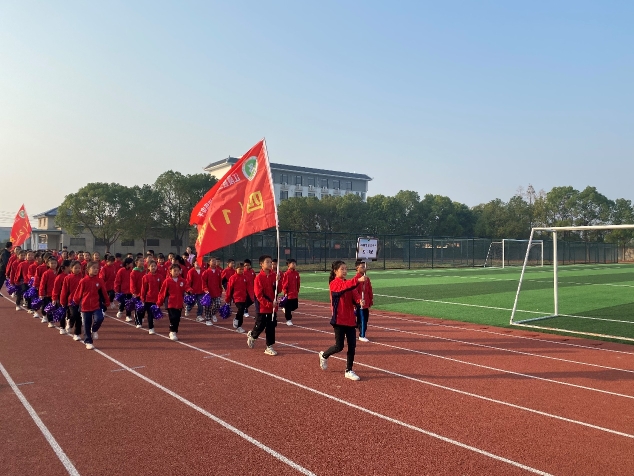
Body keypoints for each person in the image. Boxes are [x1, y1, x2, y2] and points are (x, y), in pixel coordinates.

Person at [318, 260, 366, 381]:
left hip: (350, 319)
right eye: (342, 269)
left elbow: (354, 294)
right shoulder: (334, 284)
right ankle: (324, 355)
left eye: (346, 269)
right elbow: (344, 288)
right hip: (339, 319)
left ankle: (349, 370)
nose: (345, 271)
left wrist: (359, 300)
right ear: (335, 271)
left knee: (352, 346)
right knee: (339, 346)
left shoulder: (348, 283)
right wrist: (357, 280)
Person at [73, 261, 110, 350]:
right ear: (88, 269)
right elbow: (78, 293)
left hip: (96, 305)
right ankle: (88, 341)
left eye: (97, 268)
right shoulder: (83, 281)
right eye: (94, 268)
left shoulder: (100, 281)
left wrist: (107, 302)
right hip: (85, 306)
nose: (96, 270)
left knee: (99, 318)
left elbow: (104, 292)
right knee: (87, 324)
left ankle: (94, 330)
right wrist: (76, 302)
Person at [246, 255, 279, 356]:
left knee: (271, 326)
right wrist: (269, 304)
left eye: (270, 262)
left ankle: (269, 346)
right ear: (261, 264)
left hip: (272, 307)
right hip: (262, 307)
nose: (270, 264)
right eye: (267, 262)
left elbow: (278, 290)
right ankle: (253, 336)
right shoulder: (258, 278)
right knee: (260, 325)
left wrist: (278, 281)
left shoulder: (274, 276)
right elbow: (259, 296)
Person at [157, 263, 192, 341]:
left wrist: (189, 290)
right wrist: (159, 303)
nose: (176, 272)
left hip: (179, 303)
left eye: (178, 271)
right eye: (174, 271)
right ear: (170, 271)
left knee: (178, 318)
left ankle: (174, 330)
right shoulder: (167, 281)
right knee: (173, 317)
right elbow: (162, 293)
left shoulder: (182, 280)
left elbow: (186, 287)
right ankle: (172, 331)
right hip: (170, 303)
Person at [226, 263, 253, 333]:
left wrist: (252, 296)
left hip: (244, 297)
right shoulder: (233, 278)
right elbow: (229, 289)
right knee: (241, 309)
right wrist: (227, 298)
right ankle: (239, 325)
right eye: (239, 269)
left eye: (242, 269)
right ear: (236, 269)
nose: (241, 271)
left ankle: (237, 320)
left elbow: (249, 288)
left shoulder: (245, 278)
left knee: (242, 310)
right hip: (236, 297)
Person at [60, 261, 83, 341]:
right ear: (71, 268)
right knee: (74, 314)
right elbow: (64, 291)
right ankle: (70, 322)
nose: (77, 270)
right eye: (75, 268)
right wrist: (62, 301)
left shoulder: (82, 278)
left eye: (79, 268)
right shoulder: (68, 278)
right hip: (71, 301)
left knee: (79, 317)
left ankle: (77, 333)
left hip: (81, 301)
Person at [140, 260, 162, 335]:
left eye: (155, 266)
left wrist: (161, 298)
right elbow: (143, 289)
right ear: (148, 267)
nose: (153, 267)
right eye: (151, 266)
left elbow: (161, 289)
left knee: (153, 314)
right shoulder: (145, 277)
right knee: (150, 314)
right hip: (148, 299)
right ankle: (151, 328)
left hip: (156, 299)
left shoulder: (160, 277)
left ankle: (151, 322)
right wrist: (142, 298)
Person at [354, 260, 373, 342]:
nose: (364, 268)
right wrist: (357, 302)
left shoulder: (367, 279)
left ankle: (361, 333)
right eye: (362, 267)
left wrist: (370, 300)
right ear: (357, 268)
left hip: (366, 302)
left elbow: (369, 290)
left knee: (365, 318)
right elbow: (355, 292)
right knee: (361, 319)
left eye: (364, 267)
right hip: (359, 302)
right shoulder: (356, 279)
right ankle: (362, 335)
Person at [39, 257, 59, 327]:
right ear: (48, 264)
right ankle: (50, 321)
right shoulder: (46, 273)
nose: (54, 265)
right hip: (48, 294)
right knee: (49, 307)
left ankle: (52, 318)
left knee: (55, 307)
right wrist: (41, 293)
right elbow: (42, 284)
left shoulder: (58, 272)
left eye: (55, 263)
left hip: (56, 294)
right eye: (52, 263)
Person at [201, 257, 222, 325]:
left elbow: (220, 282)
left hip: (216, 292)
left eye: (215, 261)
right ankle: (208, 319)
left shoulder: (218, 272)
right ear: (209, 262)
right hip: (209, 293)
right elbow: (204, 282)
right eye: (212, 261)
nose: (214, 262)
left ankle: (212, 314)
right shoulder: (206, 272)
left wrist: (220, 290)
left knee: (218, 304)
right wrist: (205, 289)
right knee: (208, 306)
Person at [53, 260, 71, 334]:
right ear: (66, 267)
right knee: (62, 312)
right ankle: (62, 327)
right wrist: (54, 298)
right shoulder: (59, 277)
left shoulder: (71, 276)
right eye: (70, 266)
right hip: (61, 297)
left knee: (70, 312)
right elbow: (55, 289)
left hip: (70, 297)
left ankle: (68, 322)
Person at [281, 258, 300, 326]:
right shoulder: (286, 274)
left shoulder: (296, 273)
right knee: (288, 308)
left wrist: (297, 290)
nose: (294, 265)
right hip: (289, 294)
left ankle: (285, 309)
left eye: (295, 263)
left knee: (295, 306)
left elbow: (298, 283)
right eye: (293, 263)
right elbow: (284, 284)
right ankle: (288, 320)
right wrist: (285, 292)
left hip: (295, 293)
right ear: (288, 265)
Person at [114, 257, 134, 321]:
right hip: (122, 290)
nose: (132, 264)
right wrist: (117, 289)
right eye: (131, 263)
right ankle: (120, 310)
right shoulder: (121, 271)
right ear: (127, 264)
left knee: (129, 303)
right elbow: (117, 280)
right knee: (123, 302)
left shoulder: (132, 271)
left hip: (130, 290)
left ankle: (128, 316)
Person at [130, 256, 145, 327]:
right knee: (138, 307)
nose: (142, 262)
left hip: (144, 292)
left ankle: (141, 318)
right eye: (140, 261)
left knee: (143, 307)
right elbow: (132, 283)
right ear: (136, 262)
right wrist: (134, 292)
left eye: (143, 261)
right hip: (137, 293)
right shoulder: (134, 272)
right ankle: (138, 322)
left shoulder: (144, 271)